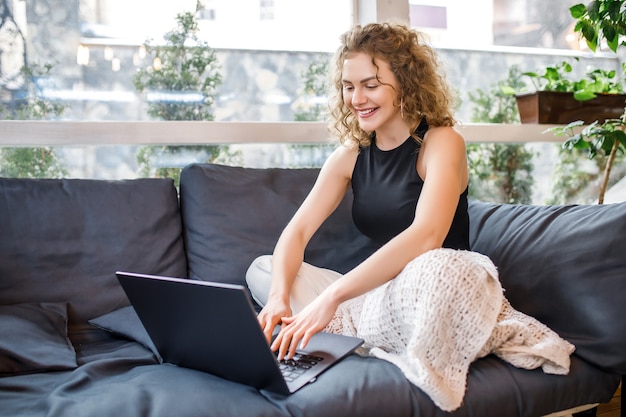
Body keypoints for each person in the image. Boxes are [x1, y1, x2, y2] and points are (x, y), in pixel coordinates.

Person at [246, 22, 573, 411]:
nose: (356, 98)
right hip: (378, 296)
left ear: (405, 82)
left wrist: (331, 298)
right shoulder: (350, 155)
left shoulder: (441, 141)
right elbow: (297, 232)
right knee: (263, 270)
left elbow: (426, 236)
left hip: (434, 285)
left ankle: (348, 328)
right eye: (348, 86)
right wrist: (280, 298)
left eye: (371, 84)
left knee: (437, 267)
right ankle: (350, 326)